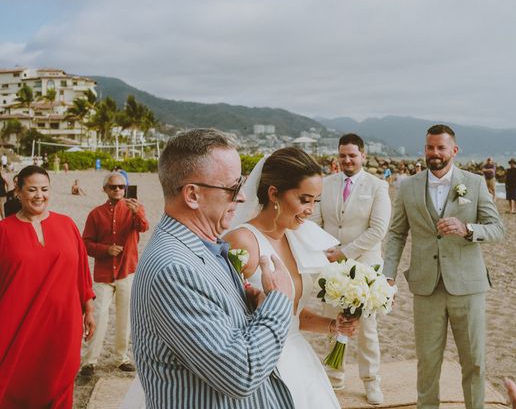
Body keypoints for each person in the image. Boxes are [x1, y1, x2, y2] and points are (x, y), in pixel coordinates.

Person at [128, 128, 296, 408]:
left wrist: (252, 309)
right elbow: (241, 374)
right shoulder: (173, 269)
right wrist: (279, 301)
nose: (241, 197)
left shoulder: (203, 244)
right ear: (192, 195)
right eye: (232, 188)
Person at [225, 147, 359, 408]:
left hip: (298, 358)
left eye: (315, 201)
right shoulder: (242, 242)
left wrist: (333, 325)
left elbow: (291, 315)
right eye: (304, 199)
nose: (310, 210)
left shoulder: (296, 237)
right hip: (257, 365)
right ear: (274, 193)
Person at [383, 124, 505, 409]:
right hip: (426, 287)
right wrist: (387, 275)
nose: (434, 153)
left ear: (454, 150)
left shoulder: (474, 183)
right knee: (427, 362)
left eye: (441, 147)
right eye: (430, 147)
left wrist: (467, 228)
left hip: (468, 287)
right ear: (424, 149)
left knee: (474, 361)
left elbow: (497, 228)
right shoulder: (408, 186)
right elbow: (397, 234)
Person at [0, 165, 95, 408]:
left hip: (63, 324)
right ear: (18, 191)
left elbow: (82, 271)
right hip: (16, 325)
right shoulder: (4, 230)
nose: (39, 195)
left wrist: (90, 310)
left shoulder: (67, 225)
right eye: (31, 189)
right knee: (12, 387)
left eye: (44, 189)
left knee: (59, 385)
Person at [311, 133, 392, 405]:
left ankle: (371, 381)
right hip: (330, 266)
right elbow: (315, 221)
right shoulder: (326, 184)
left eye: (352, 155)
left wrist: (345, 252)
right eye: (343, 155)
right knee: (335, 323)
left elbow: (378, 229)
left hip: (365, 267)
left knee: (367, 328)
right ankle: (334, 377)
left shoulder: (378, 186)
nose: (347, 160)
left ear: (363, 156)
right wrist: (325, 251)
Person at [80, 172, 149, 376]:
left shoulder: (134, 209)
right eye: (113, 187)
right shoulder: (95, 214)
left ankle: (121, 358)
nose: (117, 189)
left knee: (125, 317)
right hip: (103, 273)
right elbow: (85, 244)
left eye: (121, 186)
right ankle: (89, 361)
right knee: (98, 316)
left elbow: (144, 227)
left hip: (127, 270)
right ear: (105, 190)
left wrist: (139, 213)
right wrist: (105, 249)